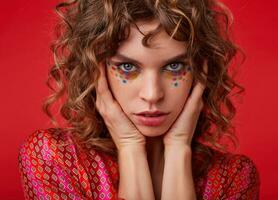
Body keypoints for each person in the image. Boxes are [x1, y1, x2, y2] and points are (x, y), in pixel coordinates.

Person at [18, 0, 260, 199]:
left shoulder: (234, 177)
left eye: (174, 66)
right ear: (95, 69)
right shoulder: (55, 159)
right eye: (126, 66)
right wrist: (129, 147)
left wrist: (178, 149)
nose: (152, 94)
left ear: (201, 72)